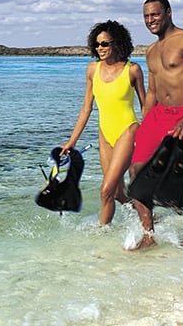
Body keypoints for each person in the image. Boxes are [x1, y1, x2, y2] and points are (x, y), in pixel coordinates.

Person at [128, 0, 183, 251]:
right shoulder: (151, 50)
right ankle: (148, 234)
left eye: (155, 14)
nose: (150, 20)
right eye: (146, 16)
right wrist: (144, 124)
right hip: (158, 115)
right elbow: (152, 91)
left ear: (168, 12)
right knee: (136, 172)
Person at [63, 20, 146, 225]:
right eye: (97, 44)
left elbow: (146, 106)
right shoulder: (92, 69)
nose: (100, 48)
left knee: (105, 190)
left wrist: (151, 138)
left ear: (117, 43)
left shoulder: (132, 70)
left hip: (128, 130)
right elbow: (86, 108)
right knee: (116, 192)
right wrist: (72, 141)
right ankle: (145, 214)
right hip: (105, 134)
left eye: (105, 44)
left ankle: (101, 235)